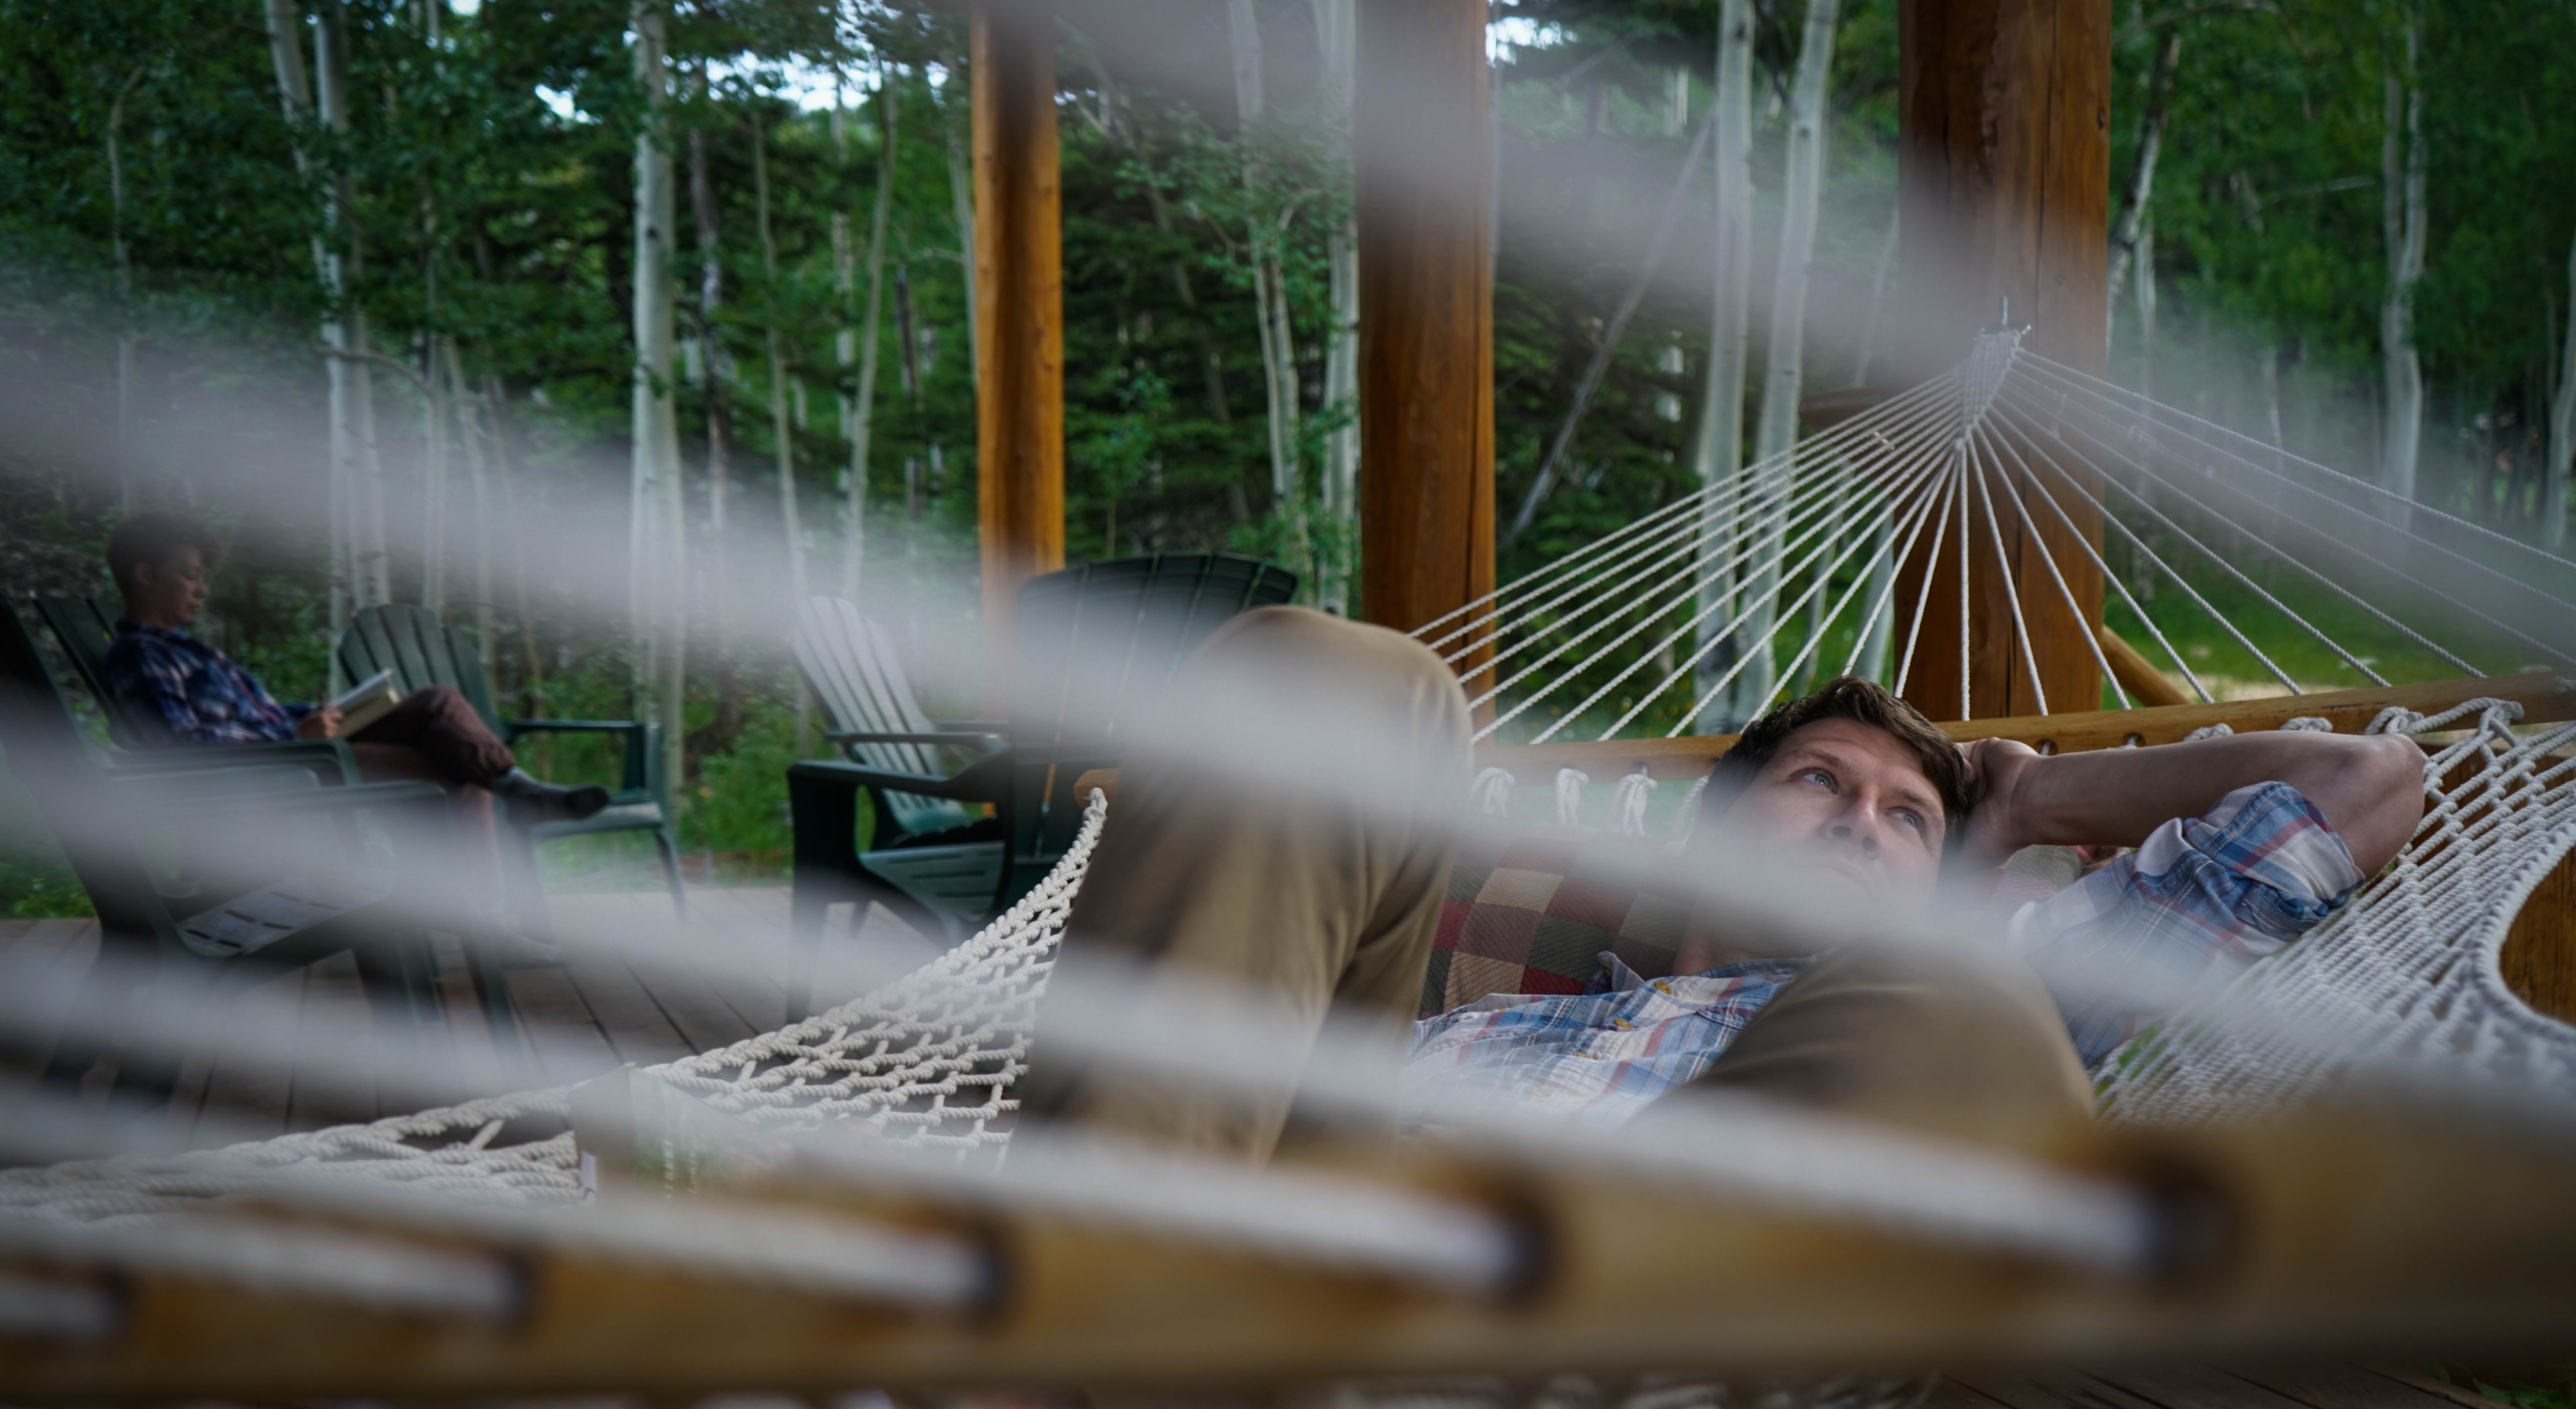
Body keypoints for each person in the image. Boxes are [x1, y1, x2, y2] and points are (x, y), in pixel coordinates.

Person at [1024, 606, 2427, 1159]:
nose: (1859, 824)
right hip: (1276, 1186)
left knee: (1972, 1024)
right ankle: (1066, 1336)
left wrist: (2032, 798)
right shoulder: (1511, 996)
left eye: (1904, 821)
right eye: (1816, 782)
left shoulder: (1993, 987)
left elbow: (2358, 787)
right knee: (1338, 677)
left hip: (1579, 1303)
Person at [97, 510, 610, 900]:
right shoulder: (141, 655)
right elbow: (184, 746)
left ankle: (517, 789)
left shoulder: (189, 648)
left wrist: (317, 715)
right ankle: (484, 917)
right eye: (189, 575)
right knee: (448, 770)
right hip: (278, 770)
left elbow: (254, 716)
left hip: (296, 748)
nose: (202, 590)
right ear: (145, 575)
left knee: (437, 702)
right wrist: (294, 738)